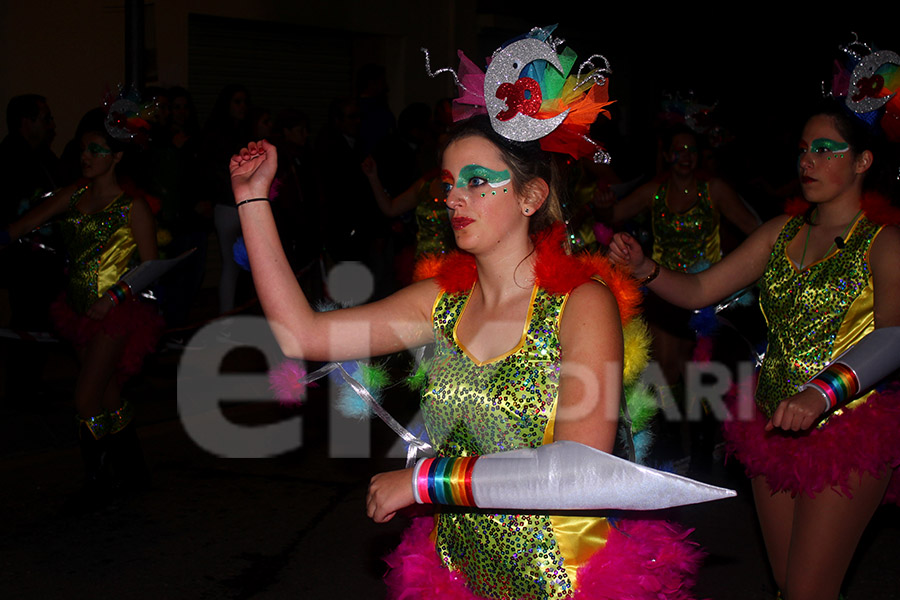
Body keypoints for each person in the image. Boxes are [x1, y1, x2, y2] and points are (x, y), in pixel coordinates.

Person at [231, 29, 708, 599]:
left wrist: (425, 482)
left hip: (562, 580)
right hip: (459, 572)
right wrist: (251, 199)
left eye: (479, 182)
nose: (455, 198)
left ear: (530, 197)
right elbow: (300, 333)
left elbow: (577, 468)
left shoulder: (582, 304)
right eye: (450, 184)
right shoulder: (441, 300)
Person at [609, 93, 900, 598]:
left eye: (826, 150)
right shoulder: (779, 233)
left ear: (863, 161)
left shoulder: (885, 243)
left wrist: (821, 394)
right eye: (805, 149)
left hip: (847, 428)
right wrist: (644, 270)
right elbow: (700, 290)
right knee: (789, 584)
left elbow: (895, 334)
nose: (807, 161)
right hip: (772, 425)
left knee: (810, 590)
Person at [1, 106, 163, 510]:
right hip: (75, 311)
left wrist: (113, 298)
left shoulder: (132, 208)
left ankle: (99, 480)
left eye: (96, 149)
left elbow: (150, 268)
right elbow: (19, 228)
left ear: (118, 156)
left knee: (84, 398)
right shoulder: (72, 195)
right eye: (82, 149)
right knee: (108, 395)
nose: (86, 156)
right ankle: (133, 469)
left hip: (115, 314)